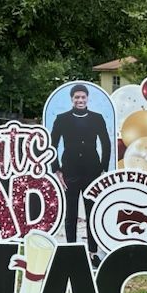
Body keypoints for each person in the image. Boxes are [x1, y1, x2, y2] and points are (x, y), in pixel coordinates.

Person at [48, 84, 111, 263]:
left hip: (92, 171)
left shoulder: (97, 118)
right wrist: (56, 169)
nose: (80, 100)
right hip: (70, 170)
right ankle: (71, 251)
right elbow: (52, 145)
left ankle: (92, 252)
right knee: (71, 213)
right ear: (72, 99)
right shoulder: (62, 119)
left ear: (87, 98)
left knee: (92, 212)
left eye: (83, 97)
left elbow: (106, 143)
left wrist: (103, 168)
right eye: (77, 97)